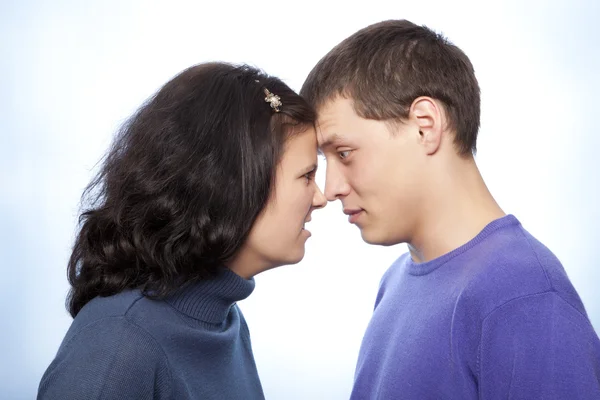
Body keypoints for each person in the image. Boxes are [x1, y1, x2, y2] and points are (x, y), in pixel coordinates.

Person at [301, 19, 600, 399]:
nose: (331, 189)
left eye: (344, 153)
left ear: (425, 126)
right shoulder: (396, 282)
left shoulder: (524, 297)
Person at [38, 62, 326, 399]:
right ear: (233, 184)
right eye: (307, 176)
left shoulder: (226, 323)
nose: (321, 197)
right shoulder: (118, 346)